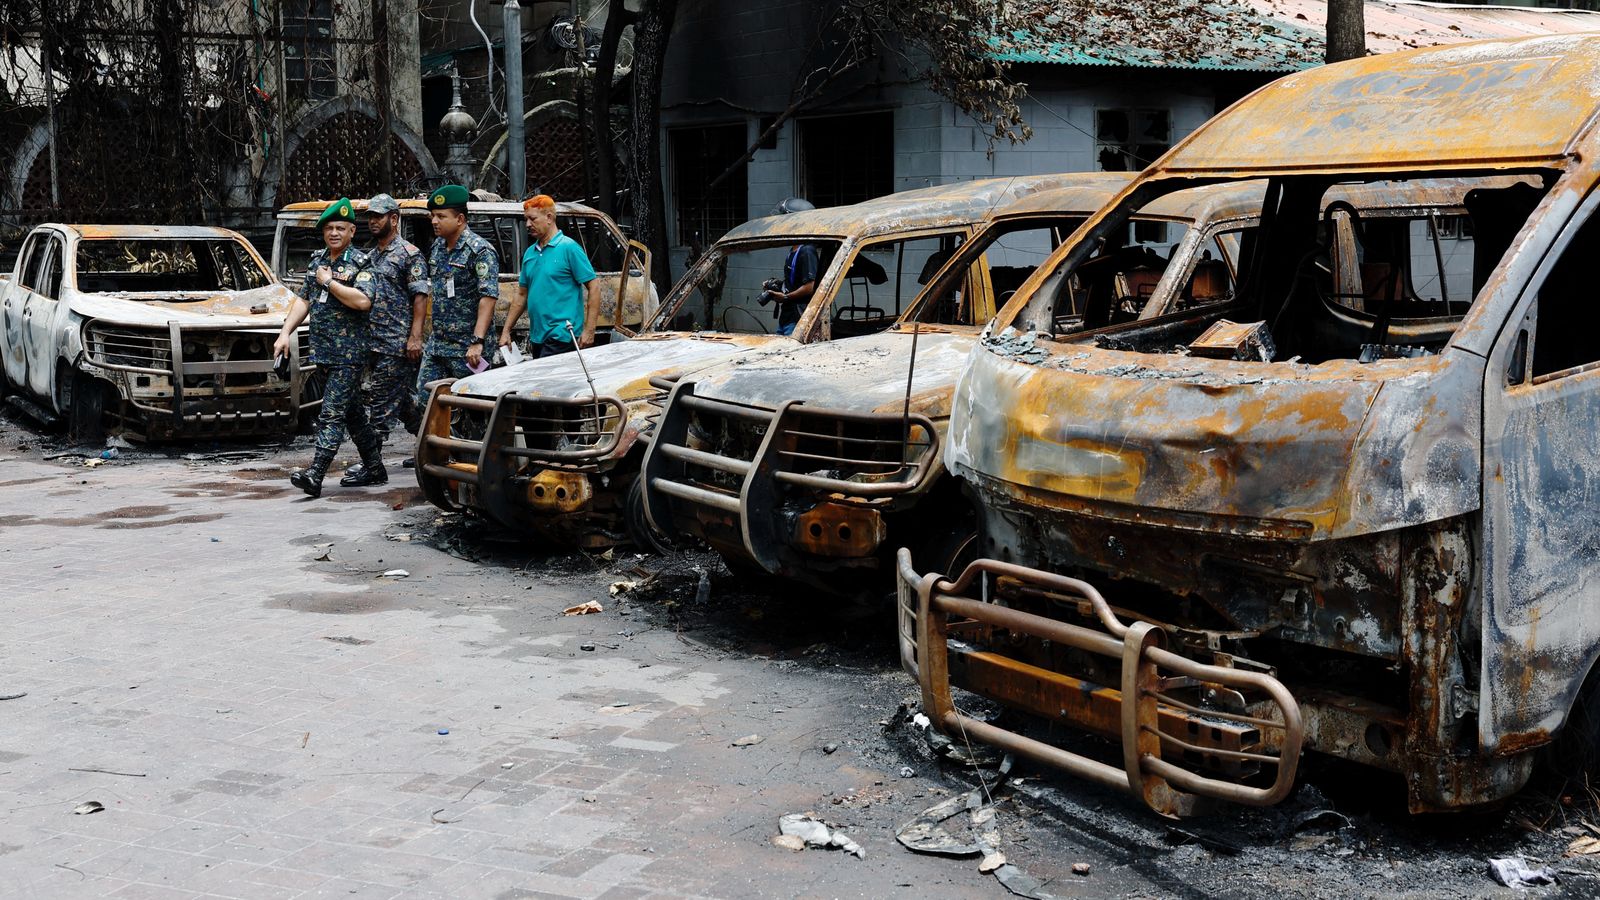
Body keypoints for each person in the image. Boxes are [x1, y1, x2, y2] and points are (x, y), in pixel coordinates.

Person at [271, 198, 382, 498]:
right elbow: (303, 300)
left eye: (340, 228)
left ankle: (315, 474)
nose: (333, 233)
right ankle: (374, 466)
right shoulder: (317, 260)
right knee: (353, 413)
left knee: (332, 413)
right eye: (329, 228)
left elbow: (363, 301)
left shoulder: (362, 263)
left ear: (351, 231)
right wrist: (285, 333)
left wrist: (330, 283)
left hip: (349, 354)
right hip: (322, 352)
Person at [348, 194, 428, 477]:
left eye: (378, 216)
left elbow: (420, 297)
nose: (372, 221)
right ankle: (433, 447)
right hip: (373, 341)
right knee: (404, 403)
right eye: (370, 216)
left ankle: (373, 461)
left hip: (397, 341)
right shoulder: (370, 257)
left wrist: (415, 337)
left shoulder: (409, 254)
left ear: (393, 219)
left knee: (381, 401)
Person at [412, 184, 499, 416]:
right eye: (433, 215)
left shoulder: (480, 251)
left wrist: (477, 341)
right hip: (439, 343)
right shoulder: (438, 247)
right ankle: (441, 452)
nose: (434, 221)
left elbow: (488, 297)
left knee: (472, 409)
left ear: (460, 219)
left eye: (441, 216)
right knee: (426, 400)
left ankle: (472, 453)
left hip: (467, 347)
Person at [499, 194, 600, 358]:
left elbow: (594, 286)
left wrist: (589, 330)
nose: (528, 224)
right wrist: (506, 331)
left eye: (532, 219)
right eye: (526, 220)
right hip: (538, 336)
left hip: (563, 335)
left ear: (549, 217)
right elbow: (521, 294)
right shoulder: (530, 253)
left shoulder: (569, 248)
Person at [760, 197, 817, 336]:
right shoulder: (794, 248)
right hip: (786, 318)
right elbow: (795, 283)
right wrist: (777, 286)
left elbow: (810, 286)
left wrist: (785, 297)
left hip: (797, 319)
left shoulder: (807, 250)